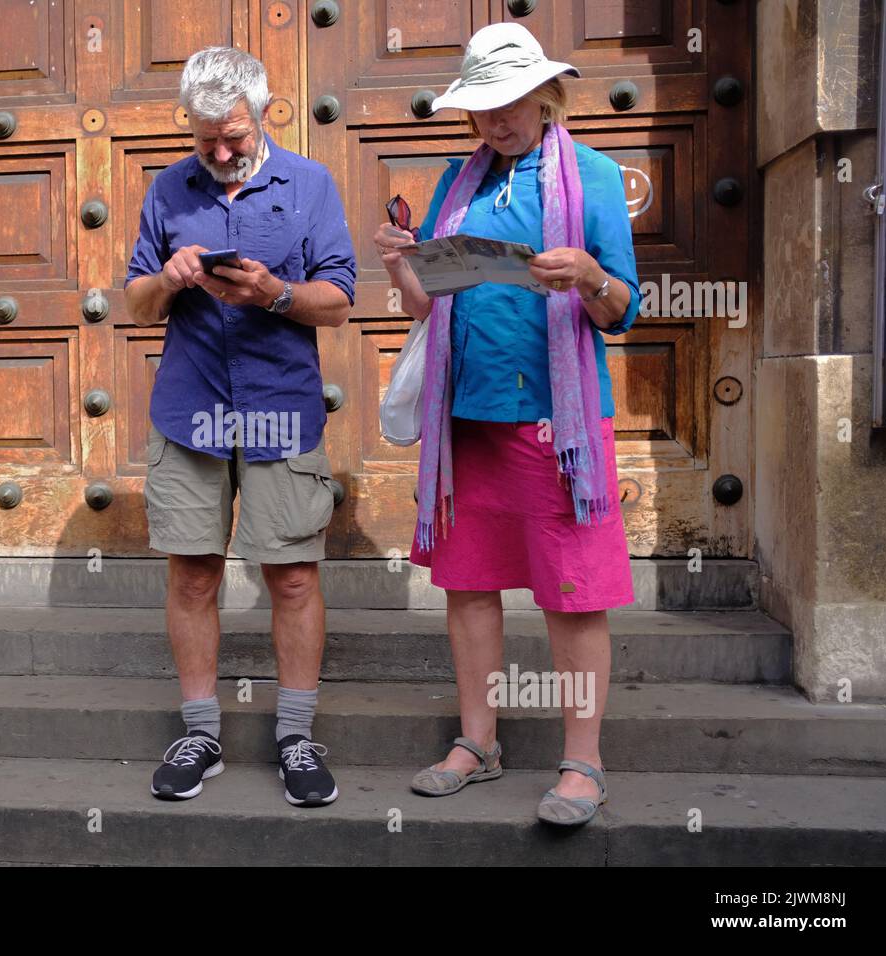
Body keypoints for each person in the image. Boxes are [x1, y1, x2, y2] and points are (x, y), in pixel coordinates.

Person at [374, 23, 641, 826]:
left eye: (510, 103)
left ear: (545, 95)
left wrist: (591, 275)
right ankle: (479, 743)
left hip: (555, 424)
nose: (497, 120)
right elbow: (429, 307)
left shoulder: (591, 177)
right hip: (468, 422)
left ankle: (583, 762)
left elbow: (623, 308)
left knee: (573, 594)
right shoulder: (461, 180)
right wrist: (401, 264)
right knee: (469, 588)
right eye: (482, 108)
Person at [125, 46, 357, 807]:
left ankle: (295, 737)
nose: (220, 153)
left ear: (264, 114)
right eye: (205, 140)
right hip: (189, 410)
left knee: (291, 576)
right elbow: (134, 303)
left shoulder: (312, 185)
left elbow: (340, 298)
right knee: (193, 574)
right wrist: (168, 277)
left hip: (280, 409)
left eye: (234, 136)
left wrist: (276, 294)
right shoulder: (167, 189)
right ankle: (200, 734)